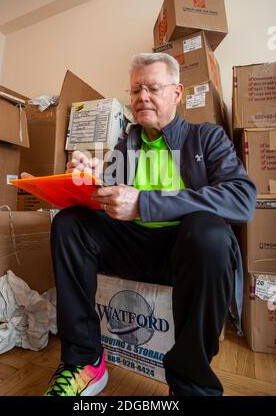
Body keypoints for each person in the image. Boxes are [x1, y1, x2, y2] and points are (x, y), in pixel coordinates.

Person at [44, 53, 256, 397]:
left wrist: (144, 203)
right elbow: (105, 198)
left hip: (186, 253)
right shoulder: (125, 145)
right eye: (136, 90)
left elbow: (242, 199)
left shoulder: (206, 138)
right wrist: (87, 175)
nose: (142, 96)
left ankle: (191, 384)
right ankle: (84, 361)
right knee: (69, 224)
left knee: (210, 234)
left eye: (153, 88)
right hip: (134, 250)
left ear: (177, 92)